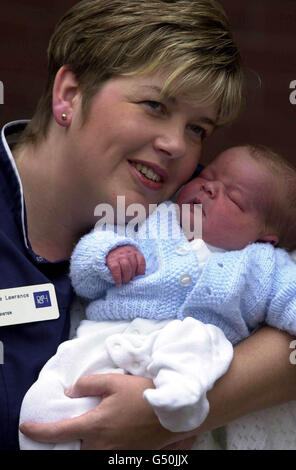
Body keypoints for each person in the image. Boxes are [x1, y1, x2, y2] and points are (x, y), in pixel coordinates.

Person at [2, 0, 293, 451]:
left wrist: (177, 411)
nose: (177, 145)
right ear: (69, 95)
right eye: (155, 105)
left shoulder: (199, 210)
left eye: (198, 129)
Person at [18, 144, 296, 450]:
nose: (210, 189)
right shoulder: (149, 219)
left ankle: (177, 402)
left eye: (233, 197)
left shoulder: (262, 264)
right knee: (45, 401)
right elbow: (85, 271)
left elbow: (290, 297)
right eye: (208, 176)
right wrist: (108, 257)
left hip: (190, 350)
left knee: (196, 340)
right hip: (107, 339)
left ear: (264, 238)